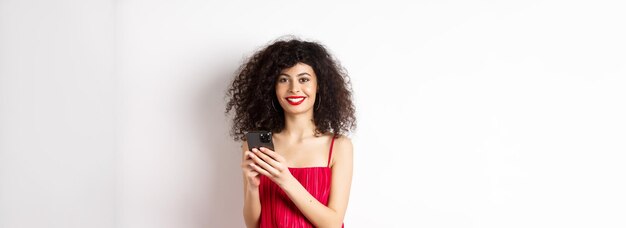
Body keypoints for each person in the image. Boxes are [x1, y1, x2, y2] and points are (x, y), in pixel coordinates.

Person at [225, 37, 356, 228]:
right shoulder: (256, 145)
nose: (294, 89)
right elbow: (253, 225)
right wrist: (253, 187)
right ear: (272, 87)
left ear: (319, 85)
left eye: (303, 79)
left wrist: (285, 180)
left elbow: (333, 224)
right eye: (284, 80)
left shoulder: (338, 146)